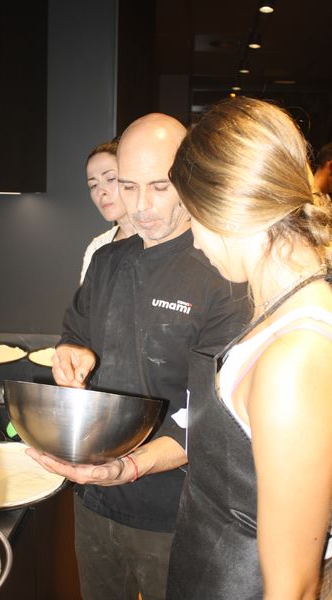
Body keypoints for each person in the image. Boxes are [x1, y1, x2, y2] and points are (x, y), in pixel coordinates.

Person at [27, 113, 250, 600]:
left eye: (160, 187)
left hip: (176, 512)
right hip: (94, 497)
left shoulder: (223, 273)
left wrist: (130, 467)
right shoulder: (107, 260)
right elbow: (75, 331)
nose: (142, 206)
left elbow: (218, 417)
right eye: (128, 187)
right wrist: (71, 352)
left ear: (189, 177)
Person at [166, 96, 332, 599]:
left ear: (229, 210)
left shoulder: (296, 355)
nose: (195, 242)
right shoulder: (281, 309)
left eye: (192, 217)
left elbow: (293, 587)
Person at [80, 139, 135, 283]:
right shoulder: (98, 246)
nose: (101, 192)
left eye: (110, 179)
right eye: (93, 185)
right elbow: (86, 297)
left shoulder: (159, 238)